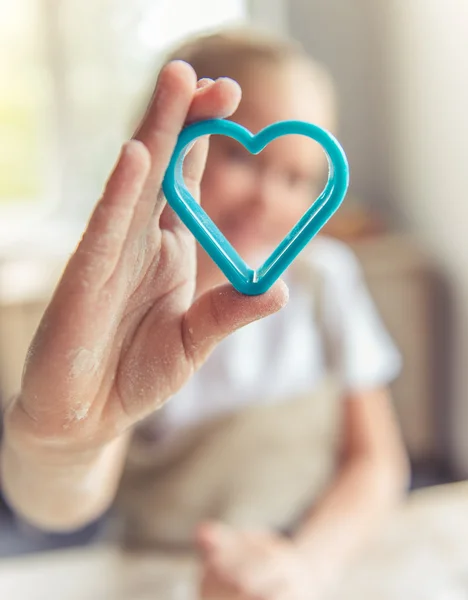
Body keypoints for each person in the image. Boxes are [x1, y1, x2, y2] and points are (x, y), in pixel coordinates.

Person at [0, 27, 409, 599]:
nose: (268, 196)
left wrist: (308, 564)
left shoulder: (325, 279)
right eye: (241, 154)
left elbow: (377, 463)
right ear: (178, 156)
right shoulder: (120, 313)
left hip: (305, 558)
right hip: (162, 573)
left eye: (297, 177)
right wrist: (60, 446)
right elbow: (62, 504)